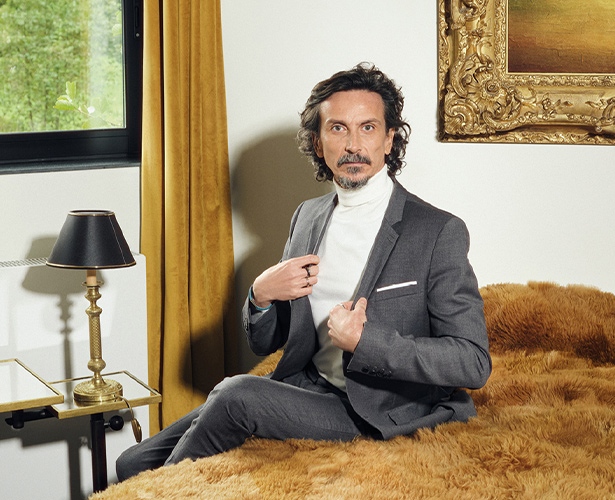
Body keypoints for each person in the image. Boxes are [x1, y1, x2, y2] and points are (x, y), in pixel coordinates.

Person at [116, 63, 491, 481]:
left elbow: (472, 362)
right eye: (338, 128)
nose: (353, 145)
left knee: (237, 394)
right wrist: (260, 296)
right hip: (310, 387)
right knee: (130, 462)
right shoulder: (308, 217)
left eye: (368, 128)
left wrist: (366, 342)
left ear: (389, 139)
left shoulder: (436, 231)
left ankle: (163, 491)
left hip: (381, 408)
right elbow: (268, 342)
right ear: (318, 142)